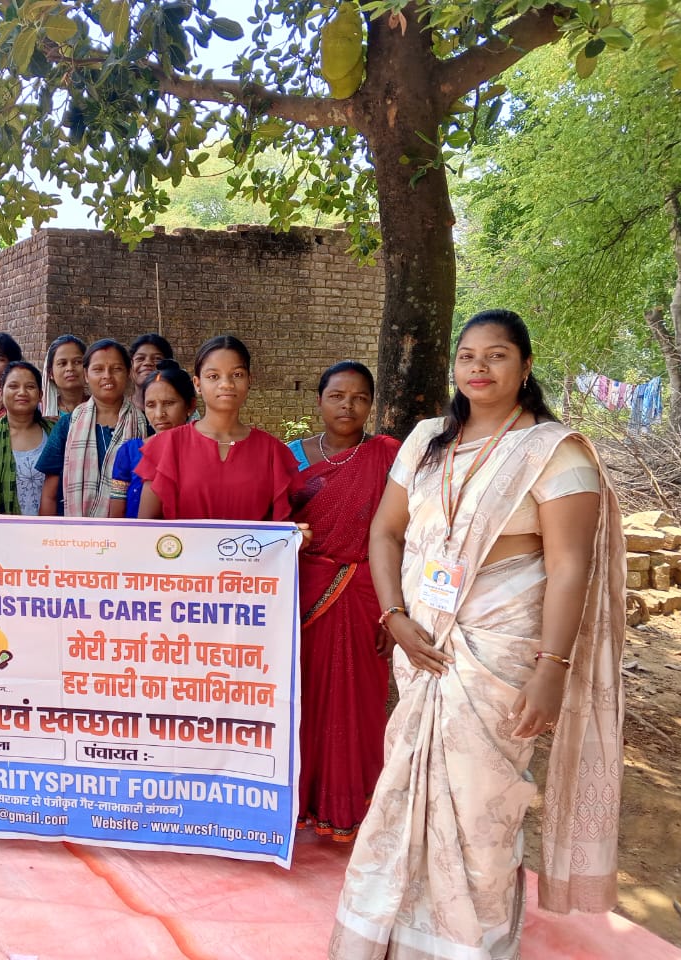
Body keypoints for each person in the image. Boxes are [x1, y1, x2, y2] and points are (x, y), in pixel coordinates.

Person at [330, 310, 625, 958]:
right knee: (405, 787)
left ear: (525, 365)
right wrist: (393, 615)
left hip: (500, 652)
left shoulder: (554, 450)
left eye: (496, 355)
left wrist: (552, 667)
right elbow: (385, 532)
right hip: (422, 645)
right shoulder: (427, 440)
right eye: (467, 355)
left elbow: (569, 566)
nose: (479, 367)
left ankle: (465, 943)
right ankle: (394, 932)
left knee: (479, 802)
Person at [284, 361, 400, 843]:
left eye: (359, 397)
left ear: (371, 404)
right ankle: (296, 804)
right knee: (302, 700)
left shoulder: (388, 456)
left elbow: (402, 532)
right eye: (336, 396)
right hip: (301, 596)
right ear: (319, 400)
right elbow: (271, 523)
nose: (347, 406)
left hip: (366, 591)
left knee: (359, 705)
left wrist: (394, 610)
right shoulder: (290, 457)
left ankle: (350, 807)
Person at [136, 335, 301, 521]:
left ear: (249, 380)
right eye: (213, 376)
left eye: (237, 374)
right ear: (197, 384)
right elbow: (147, 528)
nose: (226, 384)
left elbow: (283, 530)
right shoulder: (166, 446)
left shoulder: (273, 452)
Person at [37, 339, 149, 518]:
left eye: (116, 369)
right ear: (86, 375)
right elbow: (49, 495)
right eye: (98, 369)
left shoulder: (145, 424)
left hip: (129, 529)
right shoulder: (68, 424)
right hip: (73, 531)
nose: (107, 376)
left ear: (129, 372)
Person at [109, 358, 195, 519]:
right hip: (138, 535)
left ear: (190, 406)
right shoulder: (130, 452)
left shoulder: (202, 451)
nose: (159, 414)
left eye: (169, 403)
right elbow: (116, 516)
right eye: (151, 405)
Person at [0, 361, 53, 515]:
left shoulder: (55, 434)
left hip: (52, 528)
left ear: (40, 395)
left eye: (30, 387)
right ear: (0, 393)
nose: (22, 392)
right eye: (13, 386)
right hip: (4, 528)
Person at [40, 334, 87, 418]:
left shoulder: (102, 407)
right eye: (62, 363)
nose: (70, 368)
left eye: (77, 362)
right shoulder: (38, 413)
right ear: (50, 373)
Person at [128, 333, 174, 410]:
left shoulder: (181, 410)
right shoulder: (117, 410)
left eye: (157, 358)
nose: (148, 363)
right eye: (140, 358)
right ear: (130, 367)